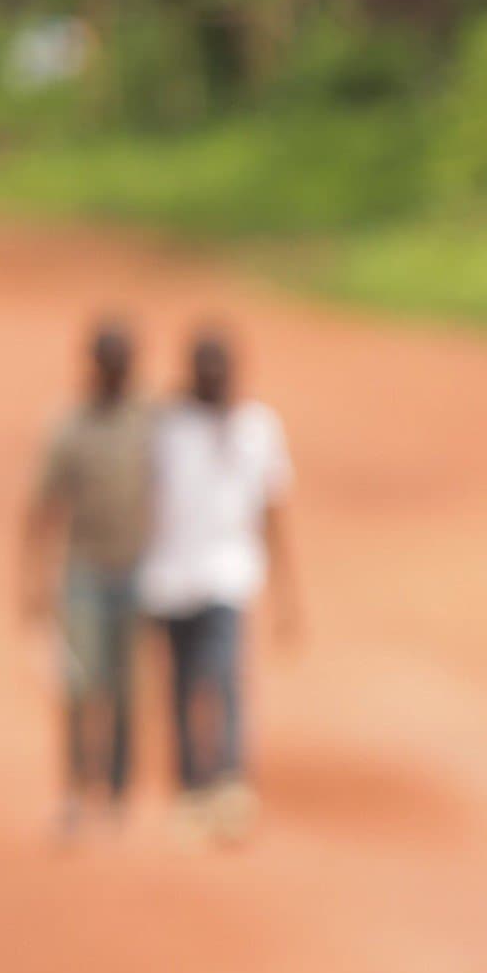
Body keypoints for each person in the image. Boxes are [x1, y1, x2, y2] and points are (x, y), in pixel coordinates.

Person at [137, 326, 304, 844]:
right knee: (182, 684)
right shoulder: (166, 428)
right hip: (168, 574)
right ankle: (191, 789)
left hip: (228, 573)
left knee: (223, 678)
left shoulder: (257, 429)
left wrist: (286, 589)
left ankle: (229, 784)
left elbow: (272, 510)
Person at [19, 316, 154, 841]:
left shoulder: (147, 421)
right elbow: (43, 506)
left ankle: (118, 793)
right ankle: (77, 789)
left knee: (124, 688)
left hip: (136, 569)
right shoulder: (70, 426)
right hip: (84, 572)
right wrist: (32, 580)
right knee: (80, 685)